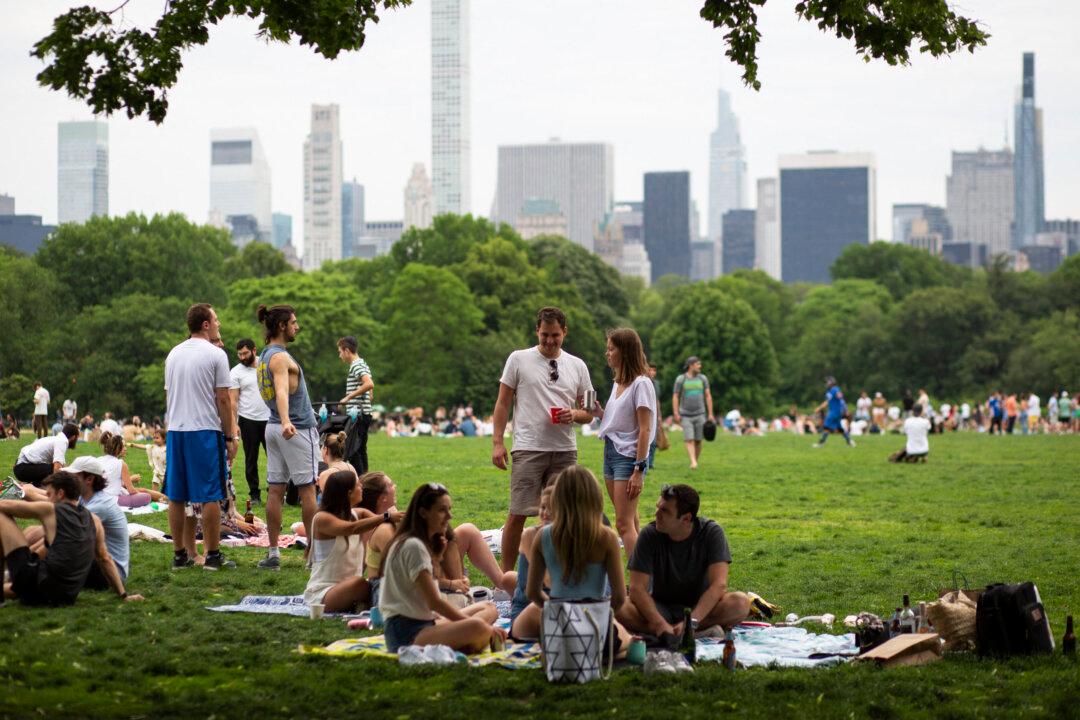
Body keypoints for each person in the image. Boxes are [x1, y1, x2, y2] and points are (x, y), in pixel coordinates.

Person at [491, 306, 594, 571]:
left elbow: (591, 412)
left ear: (565, 333)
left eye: (555, 335)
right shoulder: (518, 359)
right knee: (518, 513)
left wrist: (575, 413)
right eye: (544, 334)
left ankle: (556, 571)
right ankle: (507, 576)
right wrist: (498, 442)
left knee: (562, 515)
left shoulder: (578, 366)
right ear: (537, 331)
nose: (549, 341)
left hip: (564, 450)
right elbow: (503, 403)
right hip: (528, 447)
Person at [378, 482, 506, 653]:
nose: (449, 516)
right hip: (407, 634)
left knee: (488, 608)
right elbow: (434, 601)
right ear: (423, 513)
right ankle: (474, 639)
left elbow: (430, 592)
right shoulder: (413, 546)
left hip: (427, 621)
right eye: (442, 510)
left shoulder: (421, 543)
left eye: (449, 509)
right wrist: (476, 626)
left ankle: (470, 639)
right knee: (478, 627)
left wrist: (437, 557)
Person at [162, 303, 238, 571]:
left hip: (175, 431)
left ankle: (180, 555)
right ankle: (214, 556)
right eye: (216, 319)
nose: (218, 324)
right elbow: (224, 399)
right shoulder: (216, 354)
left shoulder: (173, 354)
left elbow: (168, 395)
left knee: (176, 495)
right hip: (204, 430)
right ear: (206, 324)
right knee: (210, 495)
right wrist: (229, 437)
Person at [618, 483, 750, 638]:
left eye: (665, 511)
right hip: (659, 608)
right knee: (617, 604)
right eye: (658, 507)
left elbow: (719, 585)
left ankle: (680, 631)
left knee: (741, 603)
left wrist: (692, 621)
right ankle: (680, 633)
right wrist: (659, 623)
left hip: (701, 609)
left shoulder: (711, 532)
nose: (656, 514)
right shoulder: (649, 534)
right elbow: (636, 589)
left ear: (686, 518)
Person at [1, 471, 143, 605]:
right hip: (67, 596)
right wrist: (124, 595)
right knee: (35, 534)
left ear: (61, 493)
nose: (48, 498)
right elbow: (105, 558)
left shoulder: (50, 510)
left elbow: (4, 505)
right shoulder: (94, 519)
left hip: (37, 587)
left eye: (49, 494)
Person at [526, 465, 628, 650]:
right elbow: (620, 597)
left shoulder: (542, 536)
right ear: (595, 498)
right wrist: (599, 615)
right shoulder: (607, 537)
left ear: (557, 498)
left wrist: (558, 613)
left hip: (556, 632)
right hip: (596, 630)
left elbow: (532, 592)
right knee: (629, 639)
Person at [256, 304, 318, 571]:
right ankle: (314, 556)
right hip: (294, 429)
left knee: (275, 489)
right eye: (293, 322)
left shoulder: (263, 356)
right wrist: (286, 421)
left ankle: (273, 553)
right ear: (281, 326)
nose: (297, 326)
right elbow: (282, 391)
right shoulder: (280, 357)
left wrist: (279, 421)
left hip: (272, 428)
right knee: (308, 491)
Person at [304, 470, 402, 612]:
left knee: (370, 584)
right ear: (349, 493)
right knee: (362, 584)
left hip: (352, 587)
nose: (362, 487)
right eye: (358, 485)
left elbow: (380, 522)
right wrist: (387, 516)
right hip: (323, 594)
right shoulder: (321, 519)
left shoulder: (358, 513)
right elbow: (351, 528)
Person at [594, 328, 655, 558]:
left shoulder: (641, 384)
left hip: (628, 458)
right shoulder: (618, 382)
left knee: (623, 524)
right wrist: (600, 412)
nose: (607, 353)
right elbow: (618, 422)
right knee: (631, 520)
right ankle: (646, 576)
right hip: (610, 452)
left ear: (625, 351)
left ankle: (640, 584)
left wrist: (639, 469)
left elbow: (645, 429)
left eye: (611, 349)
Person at [66, 456, 131, 589]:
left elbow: (67, 529)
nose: (70, 481)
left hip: (109, 574)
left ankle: (25, 569)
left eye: (75, 477)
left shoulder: (99, 506)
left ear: (89, 479)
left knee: (58, 544)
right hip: (99, 563)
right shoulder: (86, 496)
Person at [509, 484, 554, 640]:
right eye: (543, 507)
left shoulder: (569, 538)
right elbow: (549, 582)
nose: (546, 513)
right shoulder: (531, 535)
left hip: (557, 606)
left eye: (552, 508)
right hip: (528, 609)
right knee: (539, 608)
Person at [230, 338, 270, 506]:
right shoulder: (235, 372)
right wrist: (234, 423)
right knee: (251, 459)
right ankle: (255, 495)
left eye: (245, 353)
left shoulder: (266, 364)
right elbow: (233, 401)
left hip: (270, 418)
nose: (242, 357)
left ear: (254, 350)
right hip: (248, 420)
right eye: (239, 354)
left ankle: (276, 492)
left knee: (275, 458)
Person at [337, 336, 375, 475]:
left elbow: (369, 383)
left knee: (352, 450)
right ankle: (366, 481)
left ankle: (360, 481)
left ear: (347, 350)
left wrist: (348, 397)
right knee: (360, 450)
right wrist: (369, 394)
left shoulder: (356, 365)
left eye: (340, 352)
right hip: (365, 413)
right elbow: (369, 386)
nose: (340, 355)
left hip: (358, 415)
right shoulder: (363, 363)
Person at [671, 356, 715, 470]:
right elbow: (675, 396)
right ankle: (693, 461)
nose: (700, 366)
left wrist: (710, 413)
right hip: (685, 415)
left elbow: (708, 395)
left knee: (698, 440)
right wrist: (676, 412)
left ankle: (695, 460)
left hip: (700, 414)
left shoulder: (703, 379)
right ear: (691, 365)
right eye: (698, 364)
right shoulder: (681, 379)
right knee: (689, 439)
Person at [99, 432, 163, 507]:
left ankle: (166, 498)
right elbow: (132, 491)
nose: (125, 449)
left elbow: (110, 482)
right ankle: (167, 499)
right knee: (146, 496)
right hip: (113, 500)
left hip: (99, 497)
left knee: (142, 490)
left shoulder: (98, 460)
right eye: (123, 446)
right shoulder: (121, 463)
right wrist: (132, 481)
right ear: (117, 448)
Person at [13, 424, 79, 486]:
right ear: (73, 437)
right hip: (23, 468)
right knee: (56, 473)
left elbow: (62, 466)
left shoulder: (56, 439)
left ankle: (29, 487)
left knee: (57, 472)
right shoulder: (62, 441)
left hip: (21, 466)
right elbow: (57, 468)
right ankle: (29, 489)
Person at [812, 377, 855, 448]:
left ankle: (821, 443)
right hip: (836, 411)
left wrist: (819, 408)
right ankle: (849, 441)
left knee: (826, 426)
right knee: (839, 427)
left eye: (828, 382)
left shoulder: (835, 389)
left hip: (834, 411)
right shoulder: (832, 390)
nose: (827, 383)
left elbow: (838, 400)